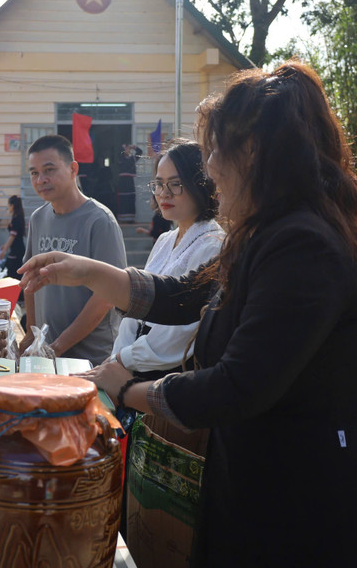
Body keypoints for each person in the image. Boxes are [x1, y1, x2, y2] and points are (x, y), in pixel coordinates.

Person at [19, 62, 357, 568]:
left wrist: (127, 388)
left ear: (252, 153)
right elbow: (182, 296)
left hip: (319, 518)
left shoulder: (302, 245)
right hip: (269, 494)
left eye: (213, 151)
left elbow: (236, 386)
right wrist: (91, 271)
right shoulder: (263, 235)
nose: (207, 169)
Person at [83, 140, 223, 388]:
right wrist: (115, 360)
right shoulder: (165, 239)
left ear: (201, 184)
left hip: (168, 380)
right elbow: (135, 313)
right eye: (159, 184)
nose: (164, 193)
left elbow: (178, 335)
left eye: (176, 184)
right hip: (133, 366)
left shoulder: (213, 244)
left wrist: (121, 361)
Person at [20, 134, 127, 366]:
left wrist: (57, 347)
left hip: (91, 359)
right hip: (47, 354)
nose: (41, 180)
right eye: (34, 173)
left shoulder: (100, 221)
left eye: (49, 170)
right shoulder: (39, 218)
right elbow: (30, 279)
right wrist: (31, 333)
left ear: (73, 169)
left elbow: (107, 296)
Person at [0, 194, 26, 279]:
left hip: (16, 251)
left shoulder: (16, 219)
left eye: (8, 205)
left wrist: (5, 250)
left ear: (12, 205)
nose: (8, 207)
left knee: (12, 273)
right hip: (18, 249)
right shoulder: (18, 217)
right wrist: (5, 246)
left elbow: (12, 236)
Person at [116, 143, 143, 222]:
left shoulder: (132, 159)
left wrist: (133, 147)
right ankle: (122, 218)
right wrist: (123, 147)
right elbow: (118, 153)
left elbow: (140, 152)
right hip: (123, 182)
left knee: (131, 199)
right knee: (123, 199)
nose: (128, 150)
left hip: (130, 181)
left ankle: (131, 219)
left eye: (129, 149)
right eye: (126, 149)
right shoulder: (121, 159)